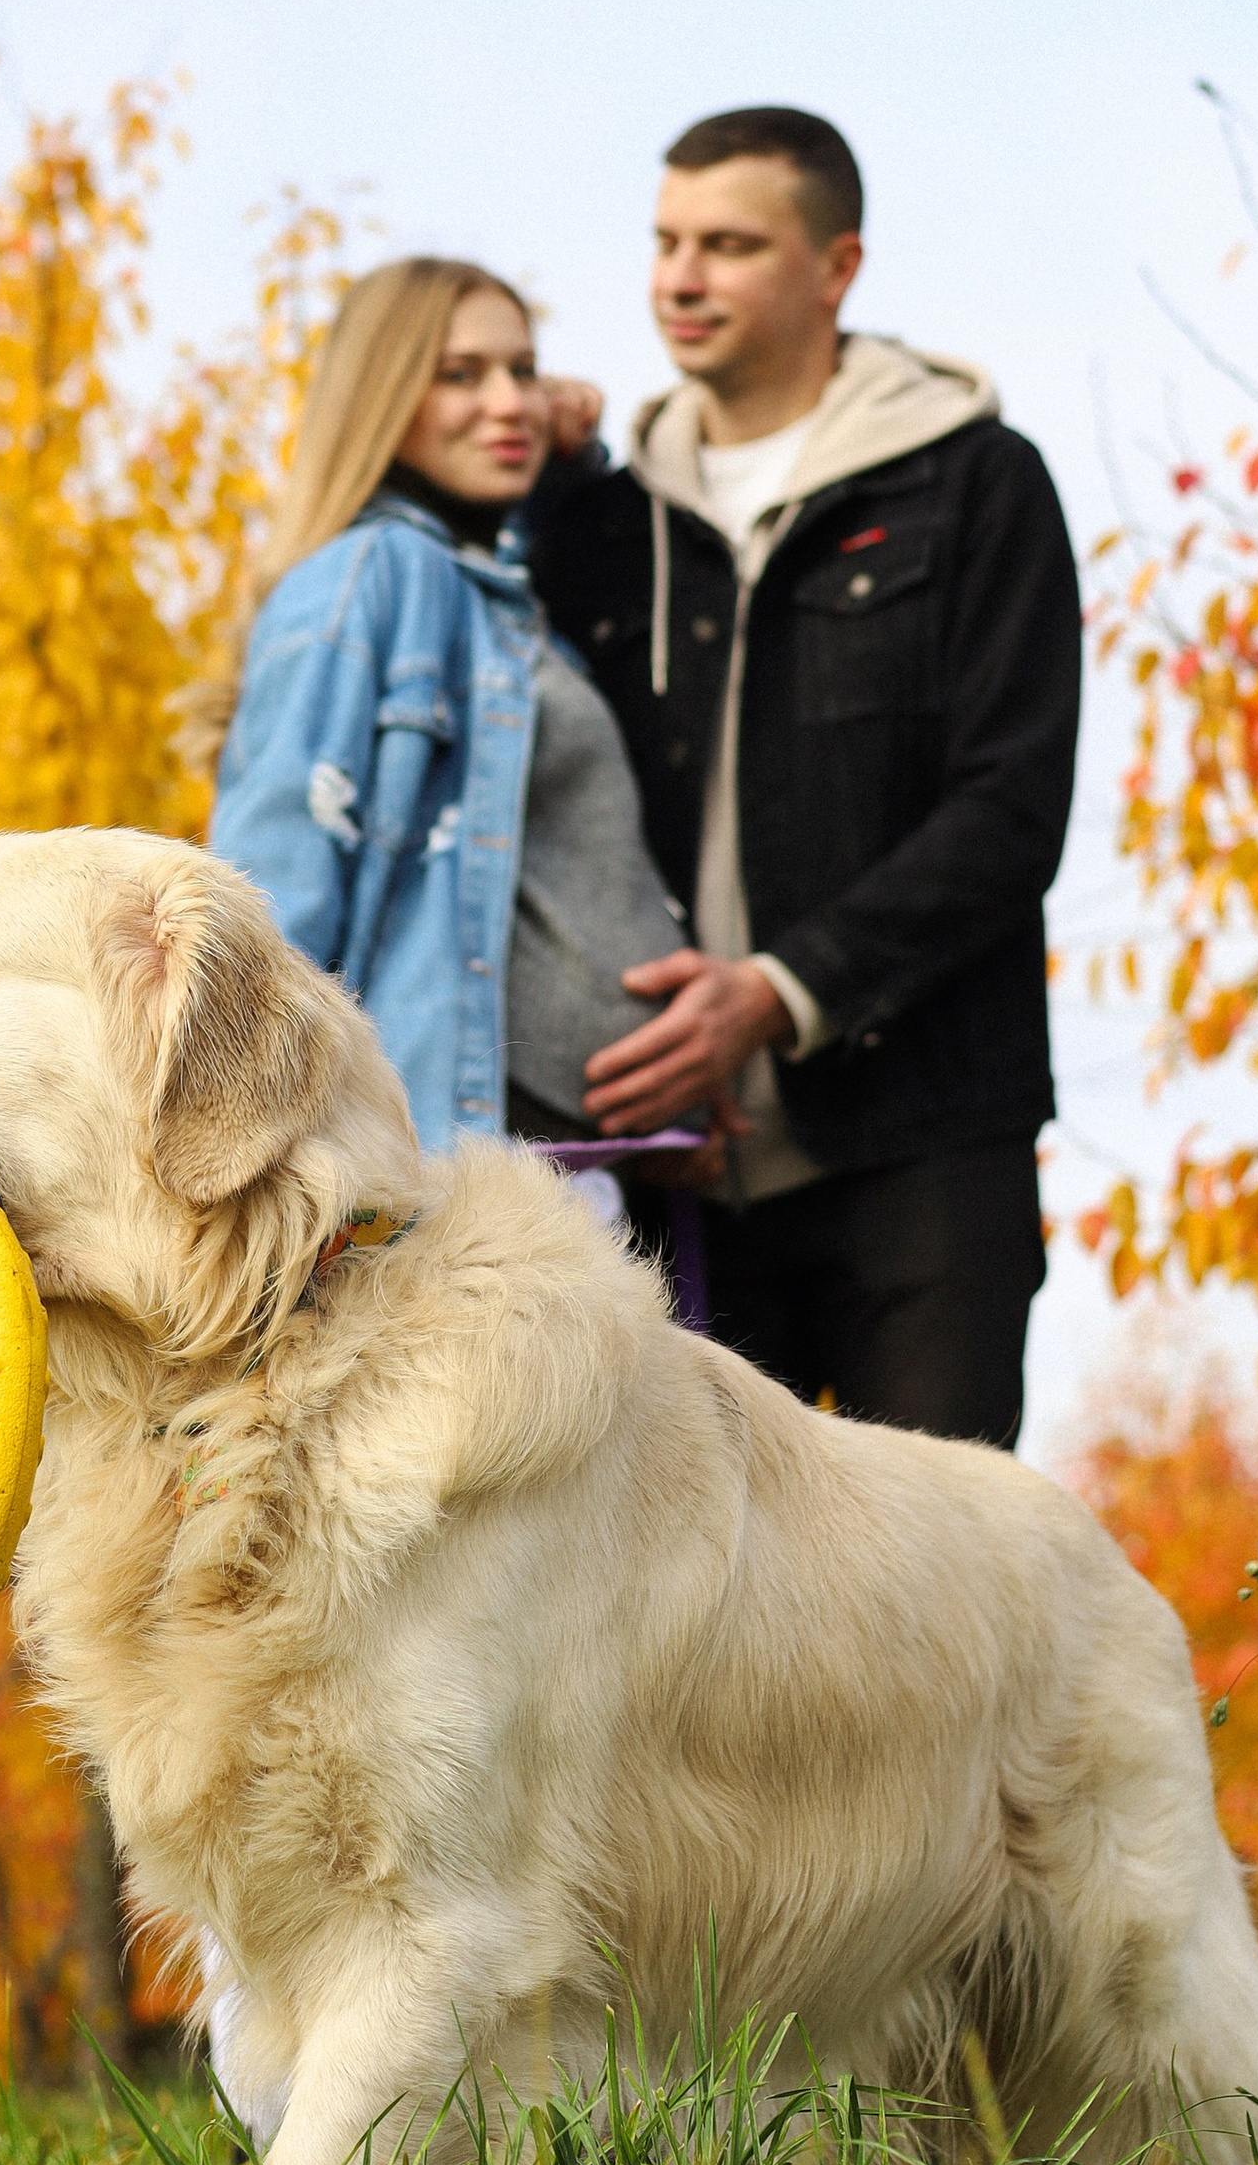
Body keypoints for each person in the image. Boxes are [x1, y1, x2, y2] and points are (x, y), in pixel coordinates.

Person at [527, 107, 1080, 1450]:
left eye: (729, 244)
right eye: (665, 242)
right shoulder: (598, 519)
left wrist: (771, 997)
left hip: (924, 1146)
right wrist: (534, 477)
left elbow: (1012, 810)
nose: (681, 277)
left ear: (837, 268)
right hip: (672, 1170)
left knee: (940, 1609)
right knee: (693, 1631)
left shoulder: (978, 487)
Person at [199, 257, 689, 1157]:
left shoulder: (498, 599)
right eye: (460, 375)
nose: (510, 403)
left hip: (604, 1162)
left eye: (524, 370)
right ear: (384, 396)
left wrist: (572, 473)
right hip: (463, 1161)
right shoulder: (366, 578)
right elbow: (272, 902)